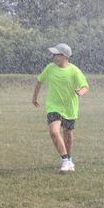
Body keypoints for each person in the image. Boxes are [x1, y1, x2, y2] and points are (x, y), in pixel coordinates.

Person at [32, 43, 89, 173]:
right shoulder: (50, 68)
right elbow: (39, 81)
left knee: (68, 134)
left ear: (64, 56)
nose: (53, 56)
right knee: (54, 131)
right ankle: (64, 160)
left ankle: (69, 159)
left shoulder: (74, 70)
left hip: (70, 108)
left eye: (56, 54)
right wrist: (34, 97)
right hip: (54, 106)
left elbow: (85, 86)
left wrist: (81, 92)